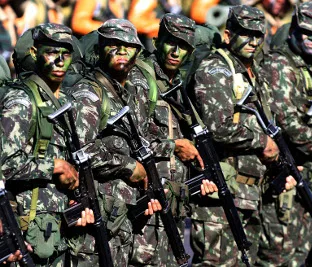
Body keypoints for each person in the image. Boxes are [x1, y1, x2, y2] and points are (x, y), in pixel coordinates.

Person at [188, 5, 299, 265]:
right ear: (228, 35)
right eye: (246, 34)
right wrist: (262, 143)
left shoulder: (254, 72)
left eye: (259, 35)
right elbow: (218, 127)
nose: (254, 41)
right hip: (222, 195)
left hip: (251, 195)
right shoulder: (216, 69)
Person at [66, 18, 165, 266]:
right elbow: (82, 151)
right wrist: (128, 166)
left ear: (138, 52)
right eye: (113, 45)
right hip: (98, 214)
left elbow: (146, 137)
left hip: (124, 213)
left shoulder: (132, 90)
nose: (121, 51)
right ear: (99, 50)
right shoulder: (88, 93)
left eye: (128, 45)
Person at [127, 13, 218, 266]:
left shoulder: (175, 84)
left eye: (185, 47)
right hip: (148, 203)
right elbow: (129, 139)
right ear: (157, 42)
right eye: (171, 42)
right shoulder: (140, 79)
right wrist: (174, 146)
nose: (176, 52)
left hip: (173, 202)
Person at [0, 23, 94, 266]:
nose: (60, 61)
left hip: (60, 228)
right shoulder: (22, 100)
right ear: (34, 53)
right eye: (52, 52)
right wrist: (55, 166)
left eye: (66, 53)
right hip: (28, 229)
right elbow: (5, 163)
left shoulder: (66, 101)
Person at [260, 2, 312, 265]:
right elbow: (287, 120)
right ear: (295, 29)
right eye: (307, 32)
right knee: (281, 258)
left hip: (308, 177)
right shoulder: (280, 64)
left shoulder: (311, 68)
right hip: (287, 175)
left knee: (302, 256)